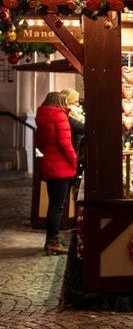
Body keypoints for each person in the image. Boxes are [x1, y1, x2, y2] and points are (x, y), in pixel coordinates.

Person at [35, 92, 78, 255]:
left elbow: (39, 143)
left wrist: (49, 153)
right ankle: (53, 241)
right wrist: (74, 161)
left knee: (53, 205)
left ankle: (51, 240)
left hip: (49, 166)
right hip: (62, 168)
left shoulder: (43, 118)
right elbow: (65, 143)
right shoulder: (60, 116)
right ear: (60, 102)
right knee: (58, 206)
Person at [59, 89, 86, 193]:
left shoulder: (73, 116)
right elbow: (82, 128)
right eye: (76, 101)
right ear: (68, 102)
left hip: (72, 157)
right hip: (69, 159)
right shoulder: (68, 116)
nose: (78, 104)